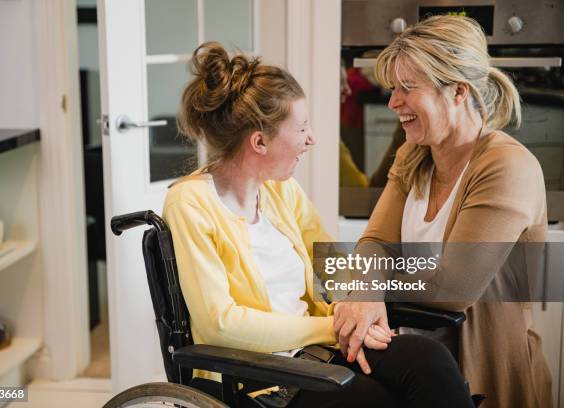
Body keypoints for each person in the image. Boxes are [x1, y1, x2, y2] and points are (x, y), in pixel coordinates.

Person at [163, 41, 474, 407]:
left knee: (428, 360)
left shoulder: (282, 191)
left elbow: (334, 263)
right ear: (259, 141)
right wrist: (332, 327)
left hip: (315, 355)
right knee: (381, 401)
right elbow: (221, 323)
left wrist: (361, 302)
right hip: (256, 377)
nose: (311, 140)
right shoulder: (191, 202)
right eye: (302, 128)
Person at [333, 15, 551, 408]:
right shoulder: (414, 155)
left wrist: (371, 287)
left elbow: (455, 284)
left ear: (458, 92)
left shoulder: (505, 166)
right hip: (412, 369)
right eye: (392, 88)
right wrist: (367, 288)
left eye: (407, 89)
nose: (393, 102)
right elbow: (375, 243)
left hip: (480, 377)